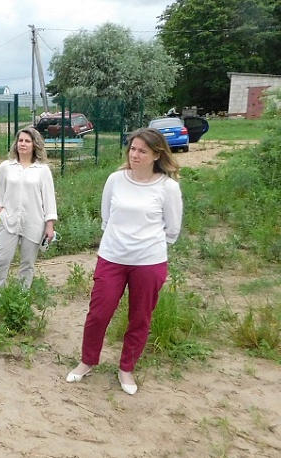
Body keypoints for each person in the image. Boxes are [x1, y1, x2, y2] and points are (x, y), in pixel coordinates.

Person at [65, 127, 183, 395]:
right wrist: (121, 241)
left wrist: (144, 245)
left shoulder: (168, 188)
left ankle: (126, 368)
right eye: (132, 149)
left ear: (156, 154)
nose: (135, 155)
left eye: (142, 150)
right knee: (99, 313)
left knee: (140, 317)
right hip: (112, 257)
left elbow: (172, 229)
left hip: (149, 261)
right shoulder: (115, 180)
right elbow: (106, 217)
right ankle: (87, 361)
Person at [0, 127, 57, 295]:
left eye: (27, 141)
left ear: (34, 145)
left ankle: (21, 299)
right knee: (2, 260)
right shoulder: (6, 167)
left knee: (27, 264)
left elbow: (49, 198)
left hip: (33, 222)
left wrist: (50, 225)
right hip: (9, 220)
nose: (23, 144)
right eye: (20, 140)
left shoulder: (42, 170)